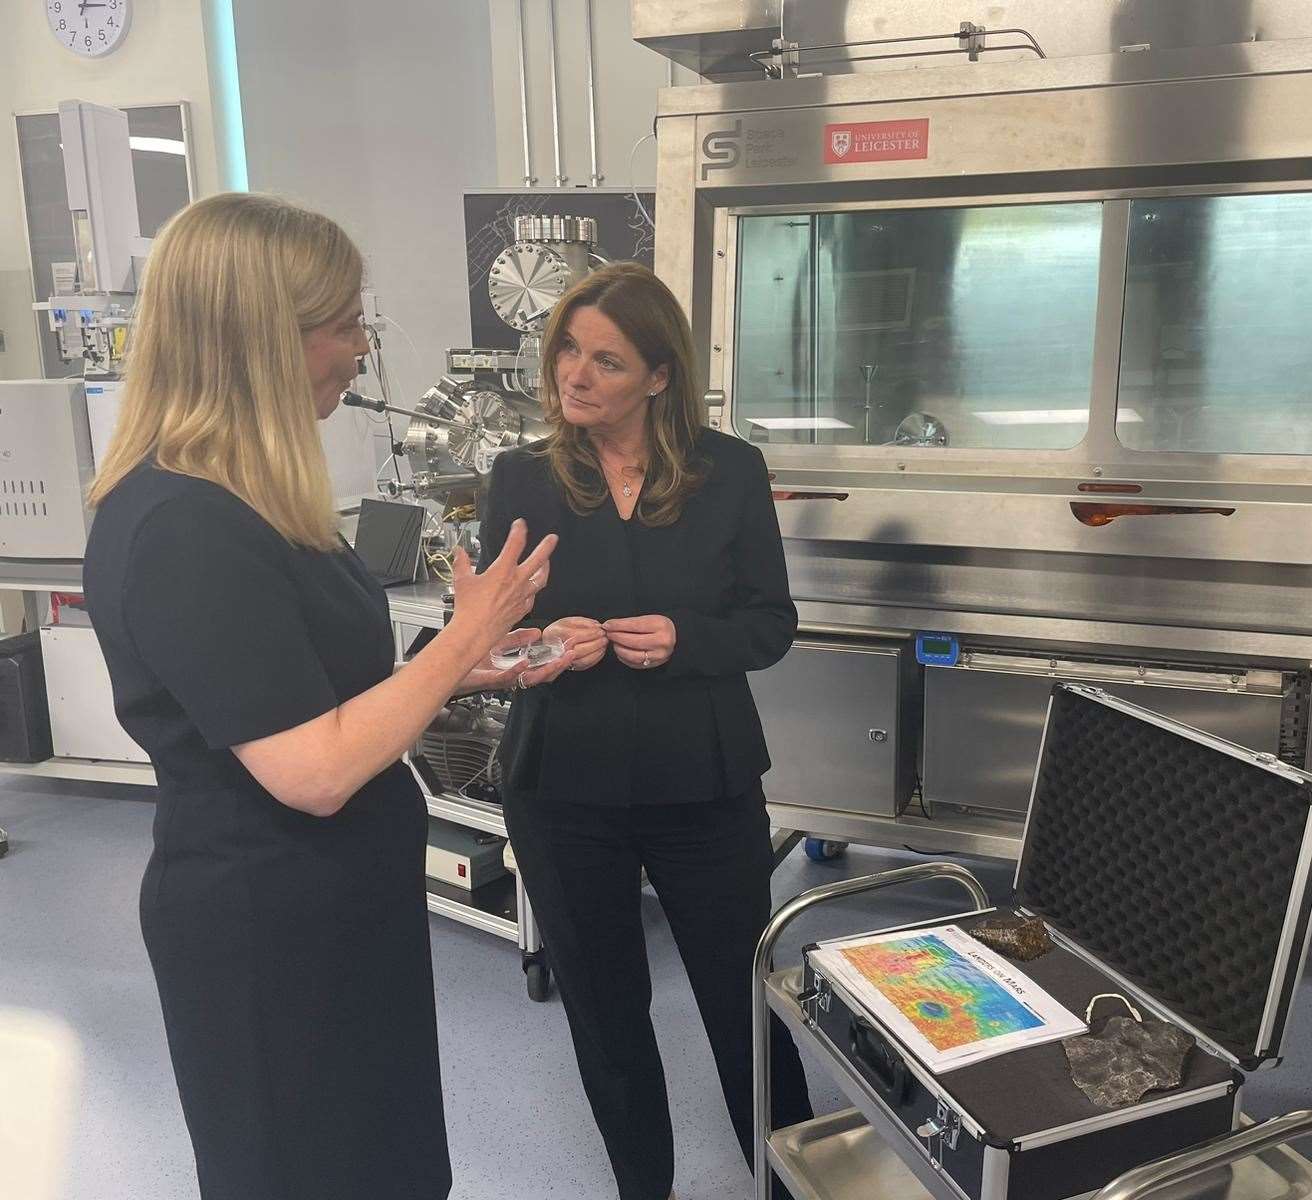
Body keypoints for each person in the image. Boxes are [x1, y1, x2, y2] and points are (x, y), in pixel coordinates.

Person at [82, 192, 568, 1200]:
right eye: (345, 324)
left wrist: (458, 671)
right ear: (265, 336)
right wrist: (463, 637)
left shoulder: (255, 501)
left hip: (338, 905)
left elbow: (316, 702)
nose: (360, 349)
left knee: (384, 1168)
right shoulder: (184, 527)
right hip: (266, 931)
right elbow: (310, 771)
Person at [479, 262, 814, 1200]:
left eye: (607, 362)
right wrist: (544, 645)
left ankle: (786, 1186)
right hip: (562, 787)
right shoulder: (521, 479)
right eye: (568, 354)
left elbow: (770, 623)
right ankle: (644, 1188)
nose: (575, 378)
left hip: (701, 786)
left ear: (660, 377)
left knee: (743, 999)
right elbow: (491, 643)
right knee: (604, 1006)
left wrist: (688, 639)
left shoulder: (730, 471)